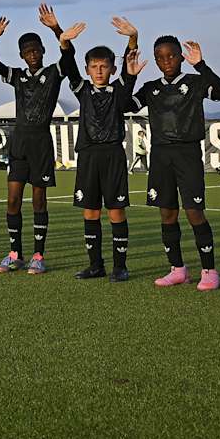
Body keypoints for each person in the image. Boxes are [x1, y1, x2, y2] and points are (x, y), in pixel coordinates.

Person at [125, 27, 220, 291]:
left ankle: (209, 271)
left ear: (181, 57)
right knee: (167, 214)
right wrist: (130, 77)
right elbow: (124, 105)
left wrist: (201, 65)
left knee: (195, 213)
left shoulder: (195, 82)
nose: (166, 62)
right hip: (161, 155)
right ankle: (177, 269)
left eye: (171, 56)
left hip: (187, 154)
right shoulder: (150, 88)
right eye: (160, 58)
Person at [0, 4, 76, 275]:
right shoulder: (18, 76)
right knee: (12, 199)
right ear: (22, 56)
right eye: (27, 52)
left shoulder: (53, 73)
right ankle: (15, 254)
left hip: (41, 143)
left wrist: (57, 30)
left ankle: (38, 255)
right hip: (19, 142)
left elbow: (69, 59)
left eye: (36, 50)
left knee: (38, 200)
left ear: (43, 51)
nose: (32, 55)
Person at [59, 24, 146, 282]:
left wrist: (133, 38)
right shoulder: (81, 89)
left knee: (116, 211)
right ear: (87, 70)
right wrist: (64, 42)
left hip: (113, 157)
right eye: (94, 67)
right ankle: (96, 265)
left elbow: (130, 72)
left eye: (104, 66)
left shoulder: (119, 90)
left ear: (112, 69)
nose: (98, 71)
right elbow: (69, 65)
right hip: (87, 156)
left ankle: (120, 267)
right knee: (90, 211)